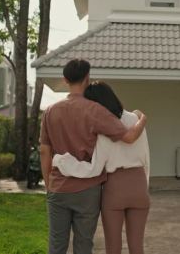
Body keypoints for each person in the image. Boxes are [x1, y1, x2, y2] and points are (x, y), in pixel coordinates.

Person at [39, 59, 147, 254]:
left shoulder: (50, 112)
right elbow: (129, 136)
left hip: (57, 187)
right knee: (83, 245)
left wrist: (49, 184)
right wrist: (142, 119)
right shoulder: (96, 111)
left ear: (65, 80)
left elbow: (45, 150)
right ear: (87, 78)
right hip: (87, 190)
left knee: (56, 245)